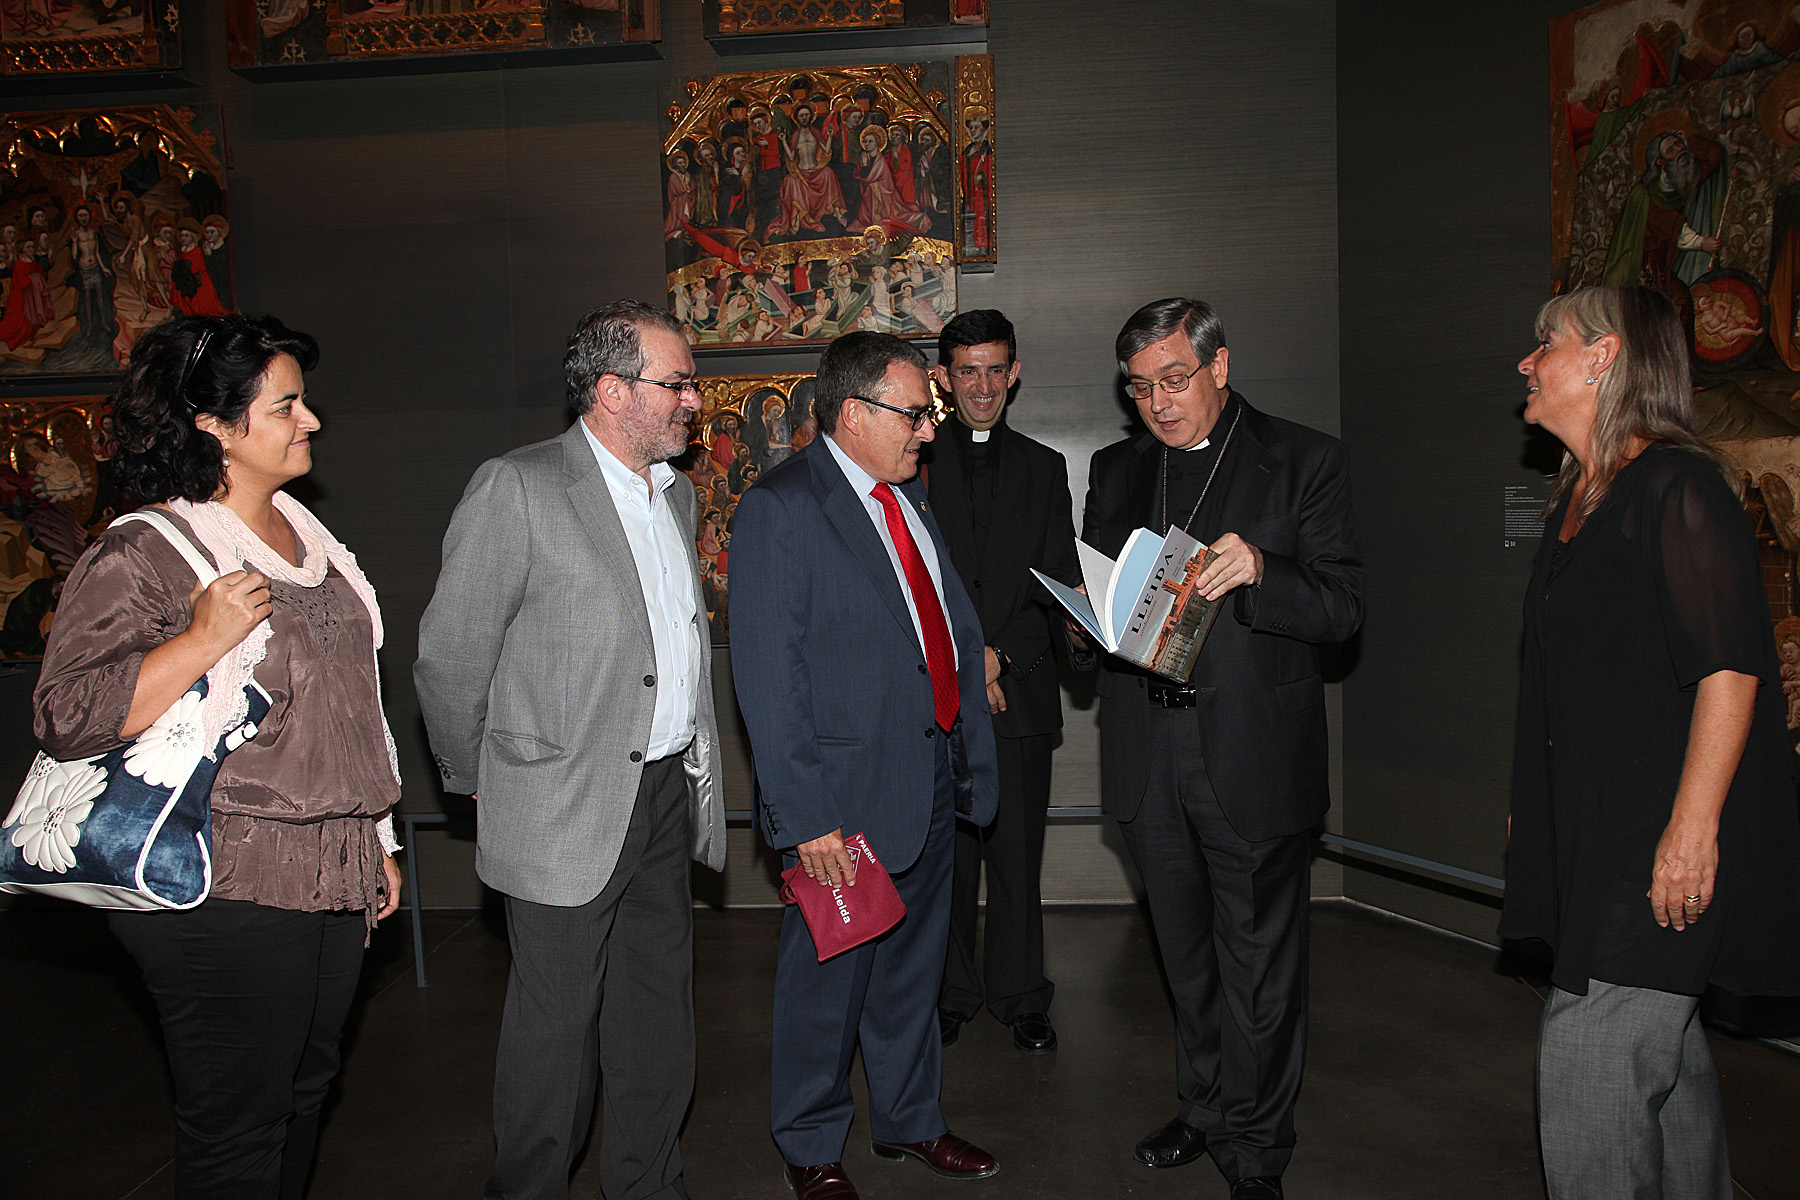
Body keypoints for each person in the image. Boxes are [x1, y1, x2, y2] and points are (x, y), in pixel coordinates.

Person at [32, 313, 404, 1198]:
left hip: (329, 867)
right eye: (284, 406)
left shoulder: (309, 539)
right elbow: (65, 714)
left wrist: (375, 838)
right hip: (220, 876)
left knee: (304, 1095)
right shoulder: (146, 550)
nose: (310, 420)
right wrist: (201, 640)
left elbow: (352, 702)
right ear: (213, 425)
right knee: (238, 1125)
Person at [414, 299, 727, 1200]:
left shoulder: (677, 495)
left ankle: (647, 1185)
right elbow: (450, 655)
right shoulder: (518, 487)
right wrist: (477, 776)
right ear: (612, 391)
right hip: (559, 803)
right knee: (555, 1033)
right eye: (677, 384)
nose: (693, 401)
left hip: (663, 793)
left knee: (656, 1016)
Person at [1503, 285, 1800, 1199]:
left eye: (1545, 343)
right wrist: (1534, 809)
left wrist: (1692, 830)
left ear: (1603, 357)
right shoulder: (1579, 500)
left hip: (1658, 841)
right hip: (1602, 834)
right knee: (1663, 1067)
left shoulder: (1678, 486)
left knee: (1590, 1056)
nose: (1527, 362)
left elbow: (1730, 668)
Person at [1081, 298, 1363, 1200]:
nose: (1158, 403)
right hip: (1148, 748)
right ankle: (1203, 1109)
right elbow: (1104, 598)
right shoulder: (1116, 468)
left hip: (1250, 754)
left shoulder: (1304, 459)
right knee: (1186, 957)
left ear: (1221, 366)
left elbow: (1343, 608)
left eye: (1174, 380)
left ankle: (1258, 1147)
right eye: (1139, 388)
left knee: (1260, 968)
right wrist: (1083, 621)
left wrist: (1265, 572)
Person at [730, 331, 1001, 1200]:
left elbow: (930, 625)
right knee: (826, 985)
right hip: (839, 805)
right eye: (915, 413)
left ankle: (911, 1119)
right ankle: (810, 1143)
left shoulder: (906, 498)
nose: (929, 430)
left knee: (912, 975)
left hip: (926, 777)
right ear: (854, 413)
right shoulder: (781, 508)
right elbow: (768, 678)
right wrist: (805, 815)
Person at [923, 309, 1080, 1055]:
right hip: (939, 697)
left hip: (1018, 692)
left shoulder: (1045, 468)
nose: (982, 387)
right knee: (948, 862)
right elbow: (913, 581)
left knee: (1017, 857)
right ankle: (950, 993)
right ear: (944, 378)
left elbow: (1057, 585)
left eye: (994, 370)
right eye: (967, 372)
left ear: (1013, 373)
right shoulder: (914, 461)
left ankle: (1021, 996)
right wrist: (965, 662)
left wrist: (999, 659)